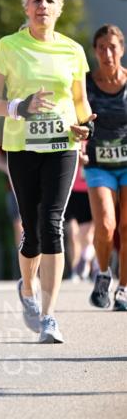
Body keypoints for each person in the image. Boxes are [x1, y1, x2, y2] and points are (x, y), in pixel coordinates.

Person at [0, 0, 95, 343]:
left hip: (63, 147)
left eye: (49, 0)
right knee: (31, 232)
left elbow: (81, 103)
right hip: (22, 147)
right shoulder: (7, 47)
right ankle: (27, 288)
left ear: (58, 8)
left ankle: (49, 316)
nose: (42, 6)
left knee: (53, 224)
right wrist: (22, 106)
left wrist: (85, 128)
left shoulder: (73, 50)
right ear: (26, 7)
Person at [84, 24, 127, 311]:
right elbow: (73, 115)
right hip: (98, 164)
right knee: (107, 225)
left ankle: (123, 289)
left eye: (113, 47)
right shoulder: (86, 83)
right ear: (95, 51)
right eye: (102, 47)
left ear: (121, 49)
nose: (107, 53)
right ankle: (103, 273)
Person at [64, 163, 95, 281]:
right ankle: (75, 270)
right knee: (72, 234)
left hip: (90, 188)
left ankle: (88, 264)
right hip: (70, 189)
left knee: (87, 235)